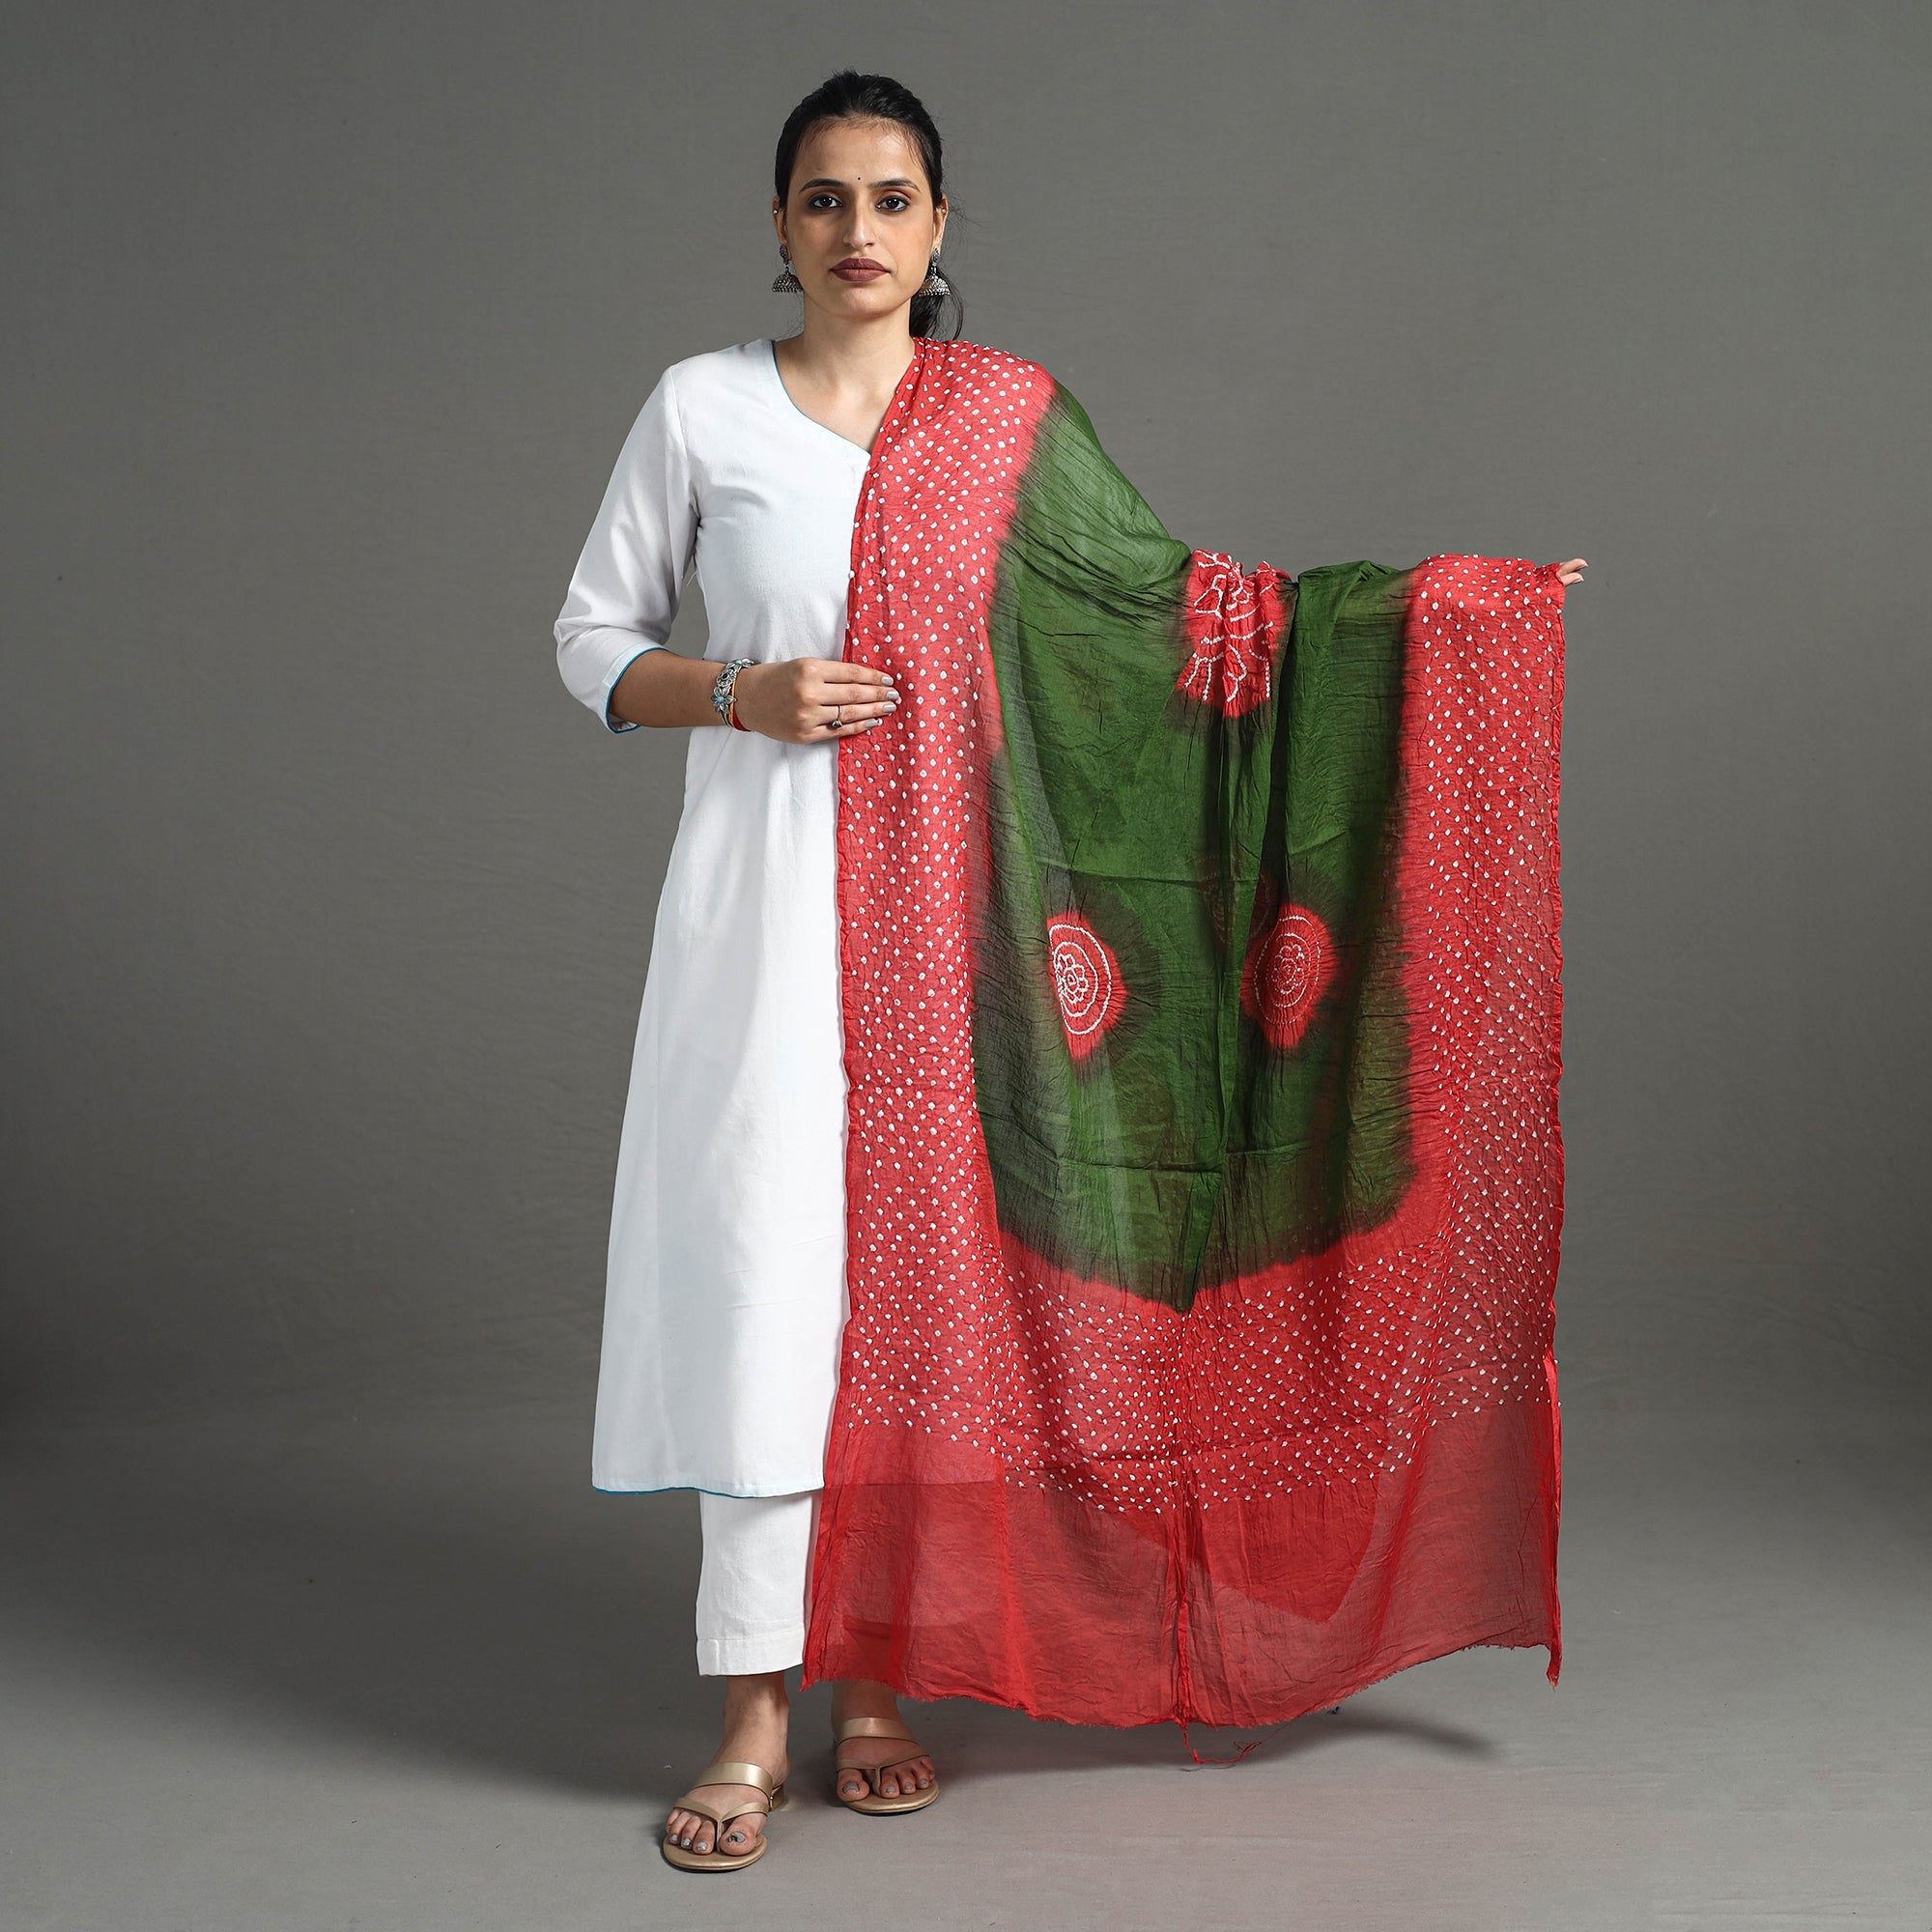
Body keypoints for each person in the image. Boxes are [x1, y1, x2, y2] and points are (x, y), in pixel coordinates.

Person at [554, 70, 1586, 1875]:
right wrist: (738, 692)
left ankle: (887, 1681)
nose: (857, 230)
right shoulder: (700, 407)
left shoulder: (1007, 424)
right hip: (762, 917)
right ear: (778, 224)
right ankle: (749, 1714)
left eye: (891, 199)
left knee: (925, 1296)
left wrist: (1442, 617)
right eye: (823, 198)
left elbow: (1185, 613)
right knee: (766, 1295)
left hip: (963, 935)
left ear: (940, 226)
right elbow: (589, 640)